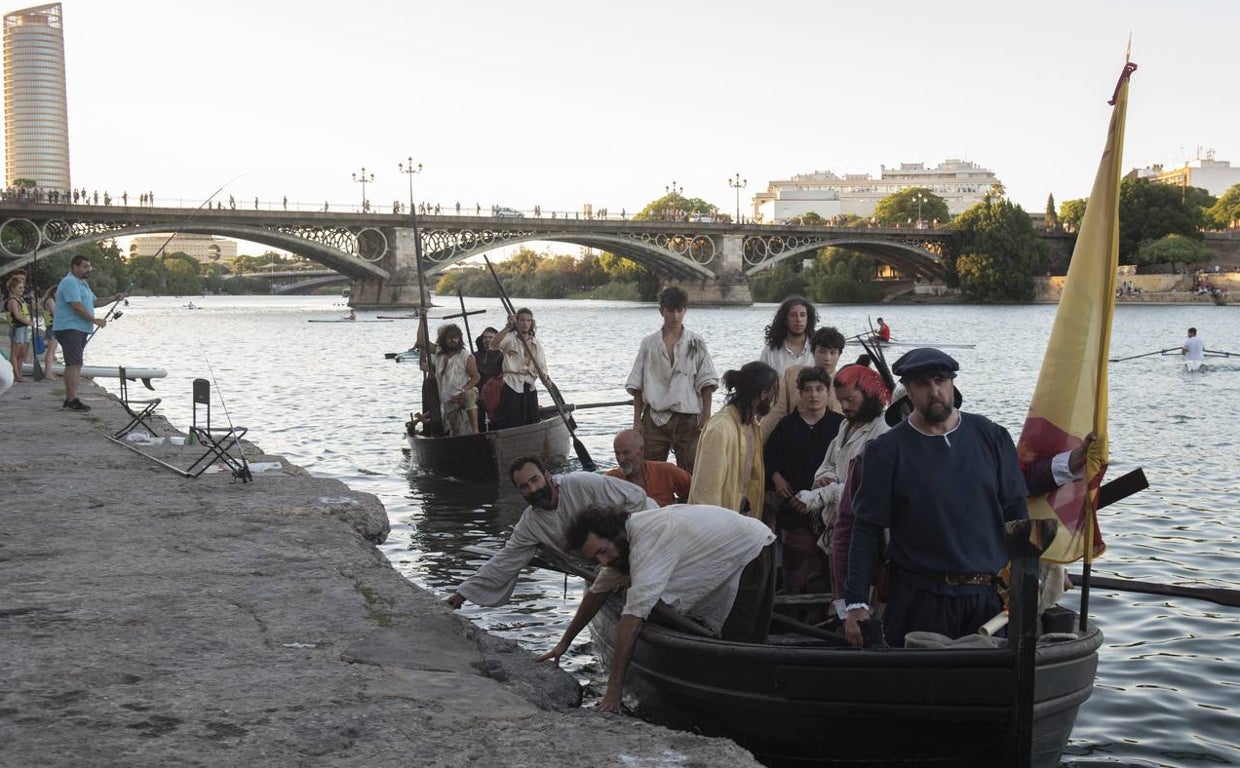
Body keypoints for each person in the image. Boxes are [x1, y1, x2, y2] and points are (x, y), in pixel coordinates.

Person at [844, 348, 1028, 647]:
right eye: (923, 384)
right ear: (909, 391)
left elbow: (1017, 515)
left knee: (987, 691)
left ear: (952, 384)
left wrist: (1029, 580)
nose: (935, 391)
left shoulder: (991, 437)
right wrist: (855, 603)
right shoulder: (886, 451)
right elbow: (866, 528)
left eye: (941, 381)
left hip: (985, 601)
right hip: (919, 600)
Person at [541, 503, 775, 713]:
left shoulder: (647, 541)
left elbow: (632, 619)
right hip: (734, 544)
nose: (602, 562)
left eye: (602, 552)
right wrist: (563, 643)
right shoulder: (623, 545)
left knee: (740, 644)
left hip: (750, 549)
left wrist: (613, 692)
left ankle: (744, 707)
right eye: (595, 558)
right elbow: (596, 593)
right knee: (734, 640)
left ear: (616, 534)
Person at [444, 457, 655, 609]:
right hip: (604, 564)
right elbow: (506, 560)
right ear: (519, 491)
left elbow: (636, 496)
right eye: (525, 486)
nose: (533, 489)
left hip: (646, 535)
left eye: (535, 480)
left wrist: (622, 543)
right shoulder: (530, 524)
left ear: (547, 476)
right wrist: (463, 593)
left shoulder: (580, 483)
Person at [763, 367, 843, 617]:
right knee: (795, 560)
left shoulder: (839, 426)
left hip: (828, 510)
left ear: (828, 392)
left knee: (825, 563)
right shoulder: (787, 426)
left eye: (819, 389)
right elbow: (769, 458)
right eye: (807, 389)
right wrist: (775, 477)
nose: (813, 395)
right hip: (794, 506)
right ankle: (790, 611)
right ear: (799, 393)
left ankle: (820, 616)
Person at [625, 286, 718, 471]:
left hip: (688, 417)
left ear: (685, 310)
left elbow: (706, 382)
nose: (675, 316)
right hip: (654, 418)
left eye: (679, 310)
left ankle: (686, 500)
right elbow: (637, 386)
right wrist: (637, 422)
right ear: (661, 311)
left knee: (690, 471)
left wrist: (706, 416)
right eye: (670, 311)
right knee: (651, 470)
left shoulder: (696, 342)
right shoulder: (649, 344)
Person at [688, 361, 779, 517]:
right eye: (773, 393)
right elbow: (706, 492)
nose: (773, 400)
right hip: (717, 526)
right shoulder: (721, 428)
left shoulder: (753, 426)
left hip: (740, 518)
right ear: (764, 394)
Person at [53, 255, 126, 412]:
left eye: (89, 266)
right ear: (74, 267)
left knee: (76, 363)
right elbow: (76, 306)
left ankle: (72, 398)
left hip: (79, 329)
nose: (88, 269)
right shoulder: (70, 282)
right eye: (85, 266)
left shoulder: (82, 283)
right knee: (73, 363)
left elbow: (94, 302)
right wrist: (94, 320)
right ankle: (71, 399)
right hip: (69, 327)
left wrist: (114, 298)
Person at [760, 326, 845, 442]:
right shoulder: (792, 375)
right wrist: (757, 446)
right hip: (794, 441)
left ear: (839, 354)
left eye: (833, 353)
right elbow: (775, 414)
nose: (827, 358)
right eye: (822, 351)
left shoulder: (845, 383)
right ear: (813, 352)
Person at [489, 308, 547, 429]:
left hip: (529, 385)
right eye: (522, 320)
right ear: (517, 321)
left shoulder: (536, 342)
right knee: (511, 419)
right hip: (512, 384)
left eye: (528, 321)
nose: (525, 323)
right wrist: (507, 327)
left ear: (531, 323)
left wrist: (546, 380)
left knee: (531, 420)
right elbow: (493, 345)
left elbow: (541, 365)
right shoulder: (510, 338)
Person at [418, 323, 480, 436]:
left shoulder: (465, 356)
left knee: (468, 395)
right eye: (449, 338)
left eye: (455, 338)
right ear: (444, 339)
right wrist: (422, 320)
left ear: (459, 339)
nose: (453, 341)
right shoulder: (439, 353)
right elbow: (421, 342)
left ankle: (476, 431)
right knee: (456, 432)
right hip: (447, 402)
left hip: (462, 396)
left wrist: (463, 390)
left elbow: (476, 377)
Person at [605, 429, 691, 507]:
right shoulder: (610, 480)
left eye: (626, 453)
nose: (621, 459)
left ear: (641, 451)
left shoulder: (666, 470)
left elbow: (695, 490)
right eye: (617, 454)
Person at [758, 296, 818, 374]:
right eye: (793, 315)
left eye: (802, 315)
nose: (798, 320)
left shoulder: (817, 348)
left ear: (808, 318)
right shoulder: (770, 351)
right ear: (785, 319)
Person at [474, 326, 504, 430]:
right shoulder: (475, 355)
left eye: (490, 337)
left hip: (495, 388)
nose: (487, 340)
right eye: (485, 337)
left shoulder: (501, 355)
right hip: (478, 387)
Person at [5, 273, 32, 383]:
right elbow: (17, 316)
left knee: (22, 353)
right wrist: (29, 322)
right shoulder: (13, 301)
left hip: (23, 328)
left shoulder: (19, 299)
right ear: (13, 288)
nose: (22, 290)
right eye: (20, 288)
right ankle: (16, 375)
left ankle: (20, 373)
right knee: (15, 353)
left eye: (23, 287)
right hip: (17, 328)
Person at [39, 285, 59, 379]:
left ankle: (49, 371)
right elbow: (55, 313)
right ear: (54, 292)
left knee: (52, 350)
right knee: (51, 351)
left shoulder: (50, 299)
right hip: (52, 328)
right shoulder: (50, 300)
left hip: (53, 327)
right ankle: (48, 373)